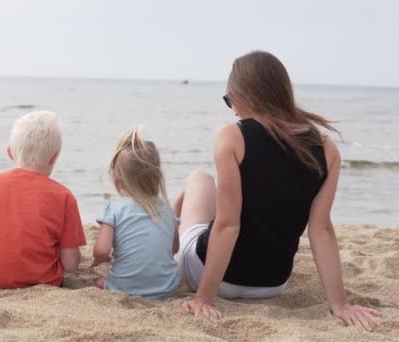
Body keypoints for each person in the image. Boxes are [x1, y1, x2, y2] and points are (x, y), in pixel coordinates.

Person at [176, 51, 383, 331]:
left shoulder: (232, 136)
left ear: (246, 94)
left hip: (212, 277)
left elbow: (228, 225)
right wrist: (340, 304)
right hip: (272, 284)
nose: (233, 110)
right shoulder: (326, 149)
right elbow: (321, 230)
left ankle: (167, 255)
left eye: (230, 100)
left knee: (198, 180)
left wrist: (204, 297)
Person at [0, 111, 86, 289]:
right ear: (55, 156)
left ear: (10, 153)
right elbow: (71, 264)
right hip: (44, 284)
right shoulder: (65, 196)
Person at [92, 128, 180, 300]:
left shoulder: (114, 208)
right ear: (156, 177)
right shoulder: (168, 211)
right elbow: (174, 248)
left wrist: (99, 259)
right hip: (166, 288)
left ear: (119, 180)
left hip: (123, 289)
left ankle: (107, 283)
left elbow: (102, 251)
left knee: (102, 280)